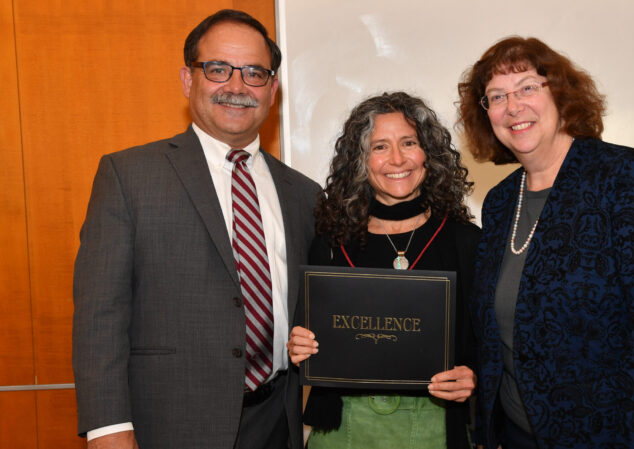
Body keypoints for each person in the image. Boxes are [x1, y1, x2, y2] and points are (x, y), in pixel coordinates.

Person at [456, 37, 634, 449]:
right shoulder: (499, 202)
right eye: (497, 96)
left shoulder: (630, 177)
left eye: (528, 87)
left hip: (624, 436)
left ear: (561, 94)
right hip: (521, 434)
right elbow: (498, 333)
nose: (513, 106)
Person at [72, 9, 320, 449]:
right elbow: (99, 319)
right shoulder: (128, 177)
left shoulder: (304, 195)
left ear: (273, 89)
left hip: (278, 424)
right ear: (189, 80)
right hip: (169, 426)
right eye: (218, 69)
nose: (237, 87)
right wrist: (108, 430)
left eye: (254, 73)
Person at [287, 92, 480, 448]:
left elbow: (488, 346)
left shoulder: (465, 242)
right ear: (360, 160)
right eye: (379, 147)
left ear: (429, 155)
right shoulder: (331, 242)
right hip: (343, 429)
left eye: (409, 143)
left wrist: (474, 376)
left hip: (436, 426)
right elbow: (306, 342)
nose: (396, 159)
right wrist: (299, 347)